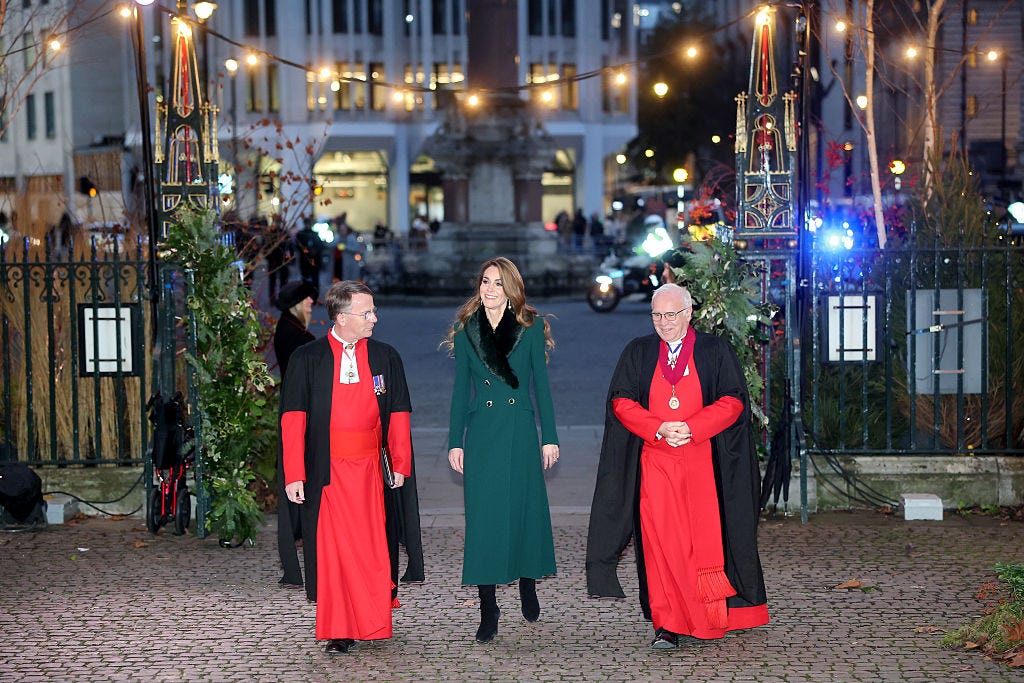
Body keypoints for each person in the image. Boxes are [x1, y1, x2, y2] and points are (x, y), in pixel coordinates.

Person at [585, 283, 769, 649]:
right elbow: (620, 402)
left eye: (671, 314)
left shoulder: (714, 351)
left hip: (704, 463)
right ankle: (667, 624)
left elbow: (733, 401)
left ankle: (707, 619)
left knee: (703, 547)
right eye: (657, 315)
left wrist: (693, 427)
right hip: (656, 464)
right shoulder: (638, 352)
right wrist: (656, 428)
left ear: (688, 314)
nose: (664, 322)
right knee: (661, 546)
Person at [280, 280, 424, 655]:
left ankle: (375, 620)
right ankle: (340, 629)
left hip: (370, 473)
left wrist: (400, 463)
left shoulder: (385, 356)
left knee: (373, 549)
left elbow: (398, 414)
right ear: (341, 318)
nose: (374, 319)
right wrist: (295, 473)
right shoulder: (306, 359)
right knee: (334, 554)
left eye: (373, 311)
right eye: (367, 313)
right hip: (326, 473)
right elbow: (293, 419)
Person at [444, 257, 560, 643]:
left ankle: (528, 580)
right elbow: (461, 390)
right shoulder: (466, 331)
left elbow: (540, 387)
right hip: (483, 433)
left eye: (498, 283)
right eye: (485, 282)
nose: (490, 289)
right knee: (484, 520)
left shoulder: (531, 328)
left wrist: (550, 437)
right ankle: (488, 607)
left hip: (520, 429)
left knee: (524, 509)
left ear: (511, 289)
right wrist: (455, 441)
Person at [272, 280, 318, 588]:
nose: (312, 307)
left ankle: (302, 527)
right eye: (309, 303)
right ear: (297, 304)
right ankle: (301, 528)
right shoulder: (294, 333)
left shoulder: (291, 328)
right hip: (301, 408)